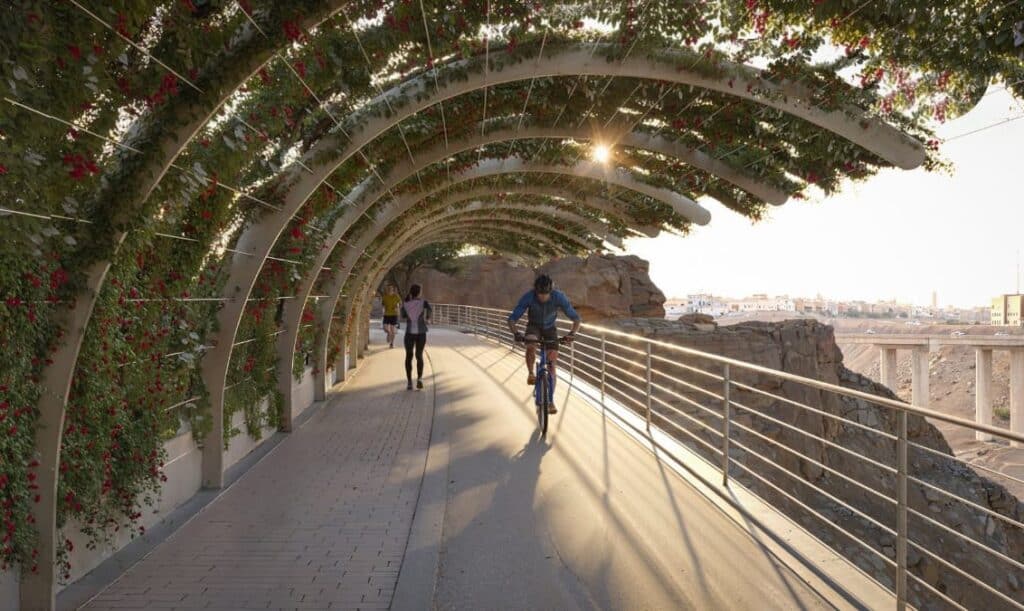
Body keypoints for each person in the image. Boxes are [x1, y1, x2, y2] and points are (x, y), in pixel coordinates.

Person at [507, 274, 581, 413]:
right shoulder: (529, 296)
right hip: (533, 326)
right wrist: (516, 333)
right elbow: (512, 319)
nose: (542, 297)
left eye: (545, 294)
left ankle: (550, 401)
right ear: (535, 291)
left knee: (552, 365)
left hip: (550, 329)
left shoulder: (559, 296)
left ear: (551, 291)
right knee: (530, 345)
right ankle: (531, 373)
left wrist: (572, 334)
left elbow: (576, 318)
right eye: (539, 294)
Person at [400, 284, 432, 390]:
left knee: (409, 356)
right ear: (419, 293)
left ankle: (409, 382)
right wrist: (427, 318)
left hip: (409, 333)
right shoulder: (423, 302)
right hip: (421, 333)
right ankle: (419, 379)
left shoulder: (406, 303)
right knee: (419, 355)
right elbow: (430, 309)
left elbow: (403, 315)